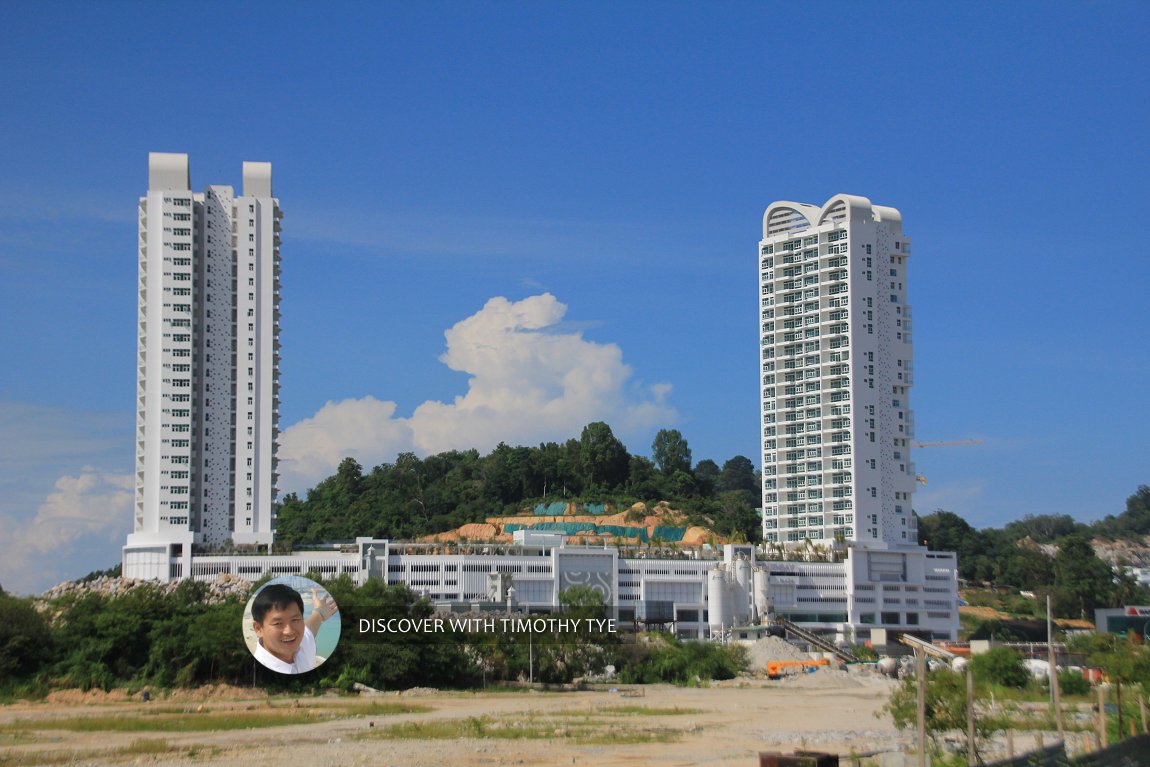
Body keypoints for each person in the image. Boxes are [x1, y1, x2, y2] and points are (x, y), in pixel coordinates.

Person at [251, 583, 338, 674]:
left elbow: (310, 627)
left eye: (295, 620)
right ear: (258, 628)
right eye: (278, 623)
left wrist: (320, 612)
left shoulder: (302, 643)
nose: (289, 631)